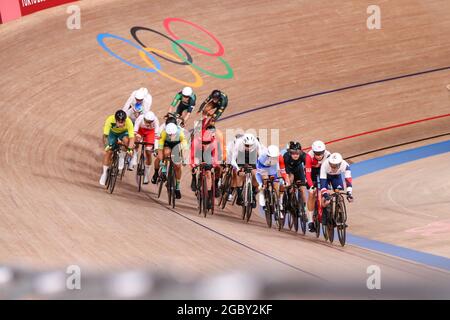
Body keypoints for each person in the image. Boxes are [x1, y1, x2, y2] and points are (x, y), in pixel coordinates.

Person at [151, 122, 187, 199]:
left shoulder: (180, 133)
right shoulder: (164, 133)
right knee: (166, 152)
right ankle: (163, 170)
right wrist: (161, 161)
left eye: (172, 134)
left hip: (177, 145)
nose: (171, 136)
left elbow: (184, 147)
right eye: (169, 134)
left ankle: (177, 187)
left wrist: (183, 158)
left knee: (177, 165)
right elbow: (160, 149)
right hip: (167, 144)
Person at [99, 110, 135, 185]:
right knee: (109, 152)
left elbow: (132, 138)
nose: (121, 124)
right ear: (115, 120)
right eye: (119, 122)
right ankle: (104, 173)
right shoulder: (109, 120)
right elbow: (105, 136)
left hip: (123, 133)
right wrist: (107, 146)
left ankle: (122, 156)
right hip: (112, 133)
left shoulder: (129, 122)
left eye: (123, 122)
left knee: (126, 141)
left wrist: (129, 149)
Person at [190, 125, 220, 209]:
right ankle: (194, 178)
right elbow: (191, 156)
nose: (205, 145)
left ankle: (208, 195)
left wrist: (213, 165)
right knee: (194, 167)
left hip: (208, 155)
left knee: (208, 173)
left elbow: (216, 157)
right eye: (204, 143)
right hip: (198, 154)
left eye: (207, 143)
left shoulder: (214, 142)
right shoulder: (196, 141)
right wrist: (194, 166)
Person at [230, 133, 263, 206]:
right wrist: (238, 169)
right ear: (243, 143)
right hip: (241, 154)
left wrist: (259, 169)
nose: (249, 147)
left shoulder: (256, 143)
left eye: (250, 145)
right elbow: (233, 160)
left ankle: (253, 195)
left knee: (255, 174)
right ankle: (239, 196)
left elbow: (260, 157)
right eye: (247, 145)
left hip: (252, 155)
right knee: (240, 174)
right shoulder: (239, 143)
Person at [320, 152, 354, 224]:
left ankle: (339, 211)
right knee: (326, 198)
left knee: (338, 193)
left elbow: (348, 180)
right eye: (332, 165)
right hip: (326, 177)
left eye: (335, 165)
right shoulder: (324, 165)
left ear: (340, 164)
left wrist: (349, 192)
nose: (333, 167)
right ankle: (325, 213)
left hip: (336, 177)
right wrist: (325, 194)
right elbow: (323, 184)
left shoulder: (345, 165)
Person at [256, 145, 290, 217]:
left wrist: (285, 180)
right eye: (271, 157)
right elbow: (258, 173)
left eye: (275, 157)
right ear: (268, 155)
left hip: (273, 169)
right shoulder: (262, 158)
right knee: (264, 179)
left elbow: (283, 171)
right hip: (263, 167)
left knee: (276, 186)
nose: (273, 158)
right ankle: (262, 193)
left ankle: (278, 205)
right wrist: (260, 183)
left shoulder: (280, 157)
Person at [305, 140, 331, 232]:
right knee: (312, 193)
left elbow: (329, 171)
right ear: (313, 152)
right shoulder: (309, 156)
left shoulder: (328, 155)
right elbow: (307, 174)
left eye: (321, 153)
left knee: (327, 191)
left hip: (323, 171)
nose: (319, 155)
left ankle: (327, 213)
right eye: (317, 153)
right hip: (312, 172)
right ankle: (310, 221)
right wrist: (311, 186)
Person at [132, 111, 159, 183]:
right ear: (144, 119)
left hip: (150, 133)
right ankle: (135, 154)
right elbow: (134, 132)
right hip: (140, 131)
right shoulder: (140, 118)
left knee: (148, 152)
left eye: (150, 122)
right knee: (136, 140)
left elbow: (156, 136)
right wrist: (135, 141)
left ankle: (146, 175)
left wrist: (156, 148)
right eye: (146, 121)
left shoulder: (156, 121)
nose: (148, 123)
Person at [283, 141, 308, 210]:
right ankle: (289, 199)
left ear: (300, 152)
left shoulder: (303, 156)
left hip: (299, 170)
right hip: (289, 170)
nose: (295, 155)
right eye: (293, 153)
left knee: (302, 189)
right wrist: (287, 182)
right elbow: (283, 170)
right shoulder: (286, 156)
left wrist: (307, 179)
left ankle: (305, 208)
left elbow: (308, 168)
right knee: (290, 181)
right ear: (290, 153)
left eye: (297, 153)